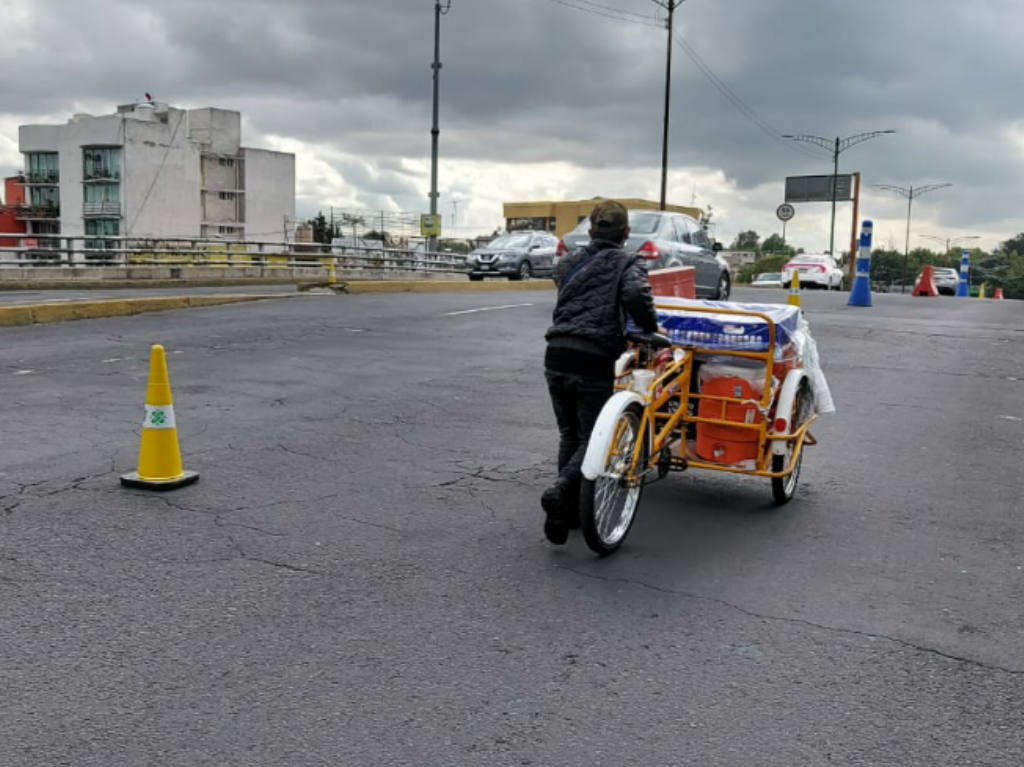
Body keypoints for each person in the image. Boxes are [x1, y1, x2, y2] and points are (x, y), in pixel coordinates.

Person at [541, 200, 660, 545]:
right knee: (590, 436)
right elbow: (637, 294)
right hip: (592, 357)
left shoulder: (568, 263)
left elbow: (568, 292)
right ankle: (562, 490)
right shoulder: (628, 262)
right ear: (625, 234)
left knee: (569, 434)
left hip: (556, 352)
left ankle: (569, 514)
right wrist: (650, 327)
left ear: (591, 231)